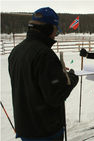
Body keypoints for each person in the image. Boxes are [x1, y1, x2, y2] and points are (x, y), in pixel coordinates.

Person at [8, 7, 79, 141]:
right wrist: (71, 78)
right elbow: (56, 95)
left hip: (26, 127)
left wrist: (56, 73)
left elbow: (32, 81)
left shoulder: (17, 51)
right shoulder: (45, 54)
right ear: (48, 29)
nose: (54, 36)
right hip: (45, 130)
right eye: (55, 31)